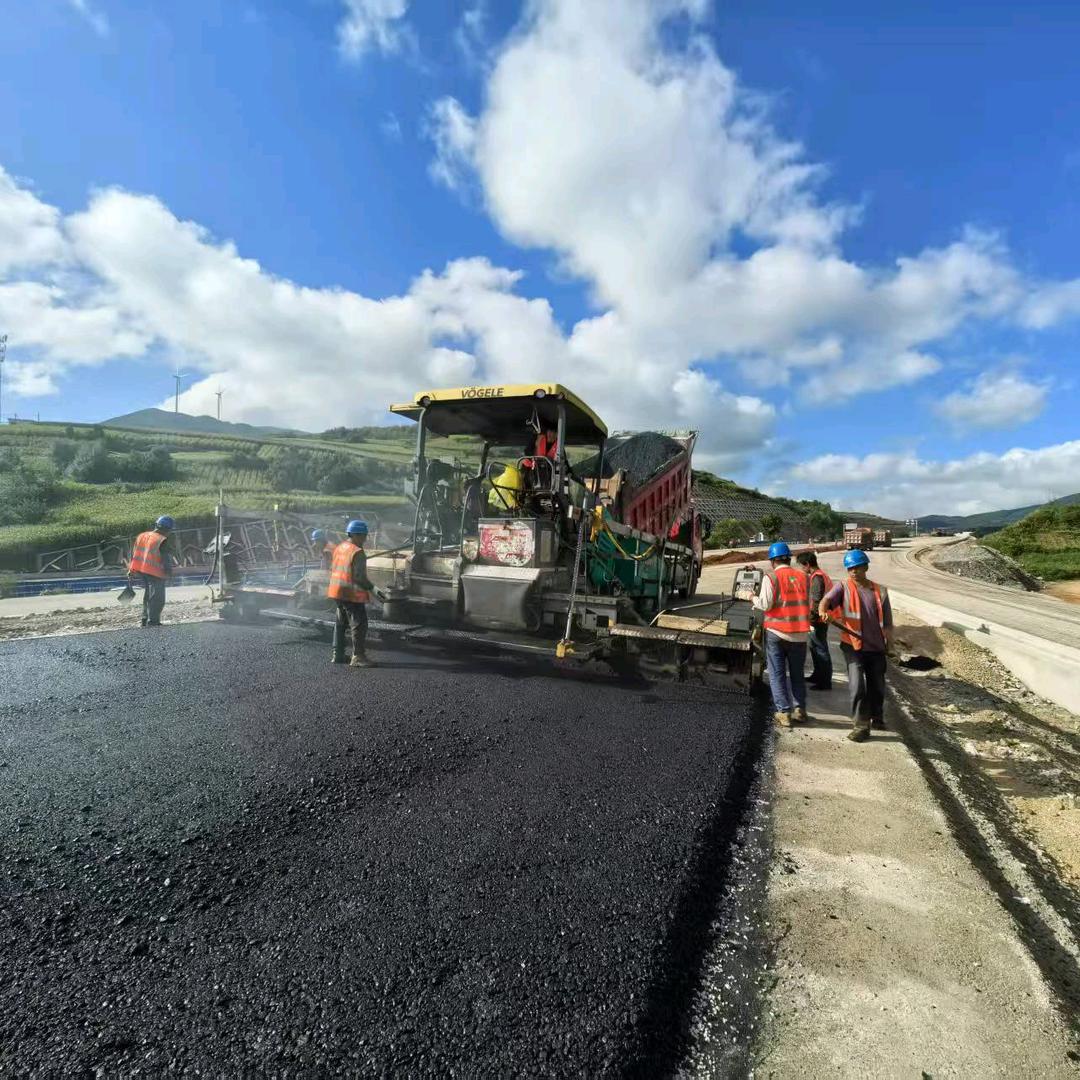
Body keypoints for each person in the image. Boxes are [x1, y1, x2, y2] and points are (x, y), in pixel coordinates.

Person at [819, 549, 894, 742]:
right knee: (858, 685)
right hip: (852, 645)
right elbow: (826, 601)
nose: (853, 572)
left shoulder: (880, 591)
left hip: (876, 647)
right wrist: (823, 611)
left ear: (866, 567)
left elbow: (887, 624)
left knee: (877, 685)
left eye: (857, 568)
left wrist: (890, 646)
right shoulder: (843, 587)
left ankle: (877, 716)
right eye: (850, 568)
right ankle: (861, 725)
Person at [753, 541, 812, 728]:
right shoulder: (804, 577)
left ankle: (784, 712)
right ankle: (800, 709)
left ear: (772, 561)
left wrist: (750, 597)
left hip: (777, 633)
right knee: (797, 673)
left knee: (777, 674)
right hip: (800, 634)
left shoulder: (771, 578)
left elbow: (765, 604)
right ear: (789, 558)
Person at [328, 519, 377, 668]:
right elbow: (359, 577)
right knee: (359, 623)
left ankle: (338, 654)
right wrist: (373, 589)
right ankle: (358, 657)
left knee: (340, 623)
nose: (365, 539)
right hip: (350, 594)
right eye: (363, 536)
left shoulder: (340, 547)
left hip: (336, 591)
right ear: (355, 535)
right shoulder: (357, 551)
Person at [127, 515, 175, 627]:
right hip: (155, 572)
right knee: (157, 598)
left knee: (148, 596)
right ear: (167, 529)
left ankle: (144, 619)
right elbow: (166, 560)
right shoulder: (162, 540)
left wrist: (131, 570)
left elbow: (134, 554)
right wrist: (169, 574)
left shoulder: (142, 536)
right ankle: (153, 622)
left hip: (142, 571)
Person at [796, 550, 833, 690]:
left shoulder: (817, 578)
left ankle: (824, 682)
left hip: (818, 620)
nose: (801, 569)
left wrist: (810, 620)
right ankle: (818, 675)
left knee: (821, 649)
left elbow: (817, 601)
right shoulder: (819, 575)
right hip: (820, 618)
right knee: (815, 648)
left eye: (802, 566)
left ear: (807, 564)